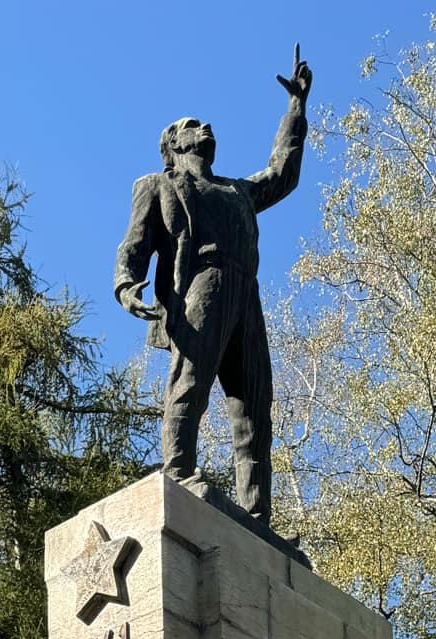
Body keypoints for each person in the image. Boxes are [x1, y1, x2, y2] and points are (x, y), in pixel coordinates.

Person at [114, 46, 312, 527]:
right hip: (201, 284)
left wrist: (296, 109)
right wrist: (125, 284)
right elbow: (134, 244)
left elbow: (283, 173)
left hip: (245, 292)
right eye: (192, 125)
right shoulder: (156, 185)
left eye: (205, 125)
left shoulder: (236, 190)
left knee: (253, 407)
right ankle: (179, 470)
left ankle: (257, 513)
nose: (206, 129)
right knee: (190, 381)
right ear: (173, 145)